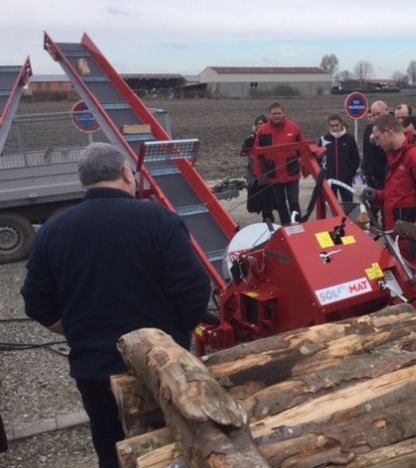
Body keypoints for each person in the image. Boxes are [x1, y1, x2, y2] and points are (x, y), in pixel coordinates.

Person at [21, 143, 212, 468]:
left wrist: (75, 331)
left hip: (94, 370)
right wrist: (177, 336)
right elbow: (194, 289)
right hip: (161, 367)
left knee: (112, 451)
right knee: (171, 447)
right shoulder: (160, 220)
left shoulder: (54, 232)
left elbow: (37, 303)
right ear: (126, 174)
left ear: (83, 182)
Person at [363, 114, 416, 332]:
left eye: (377, 138)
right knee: (413, 281)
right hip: (399, 235)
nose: (376, 144)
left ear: (389, 132)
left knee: (414, 282)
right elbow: (398, 194)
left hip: (411, 235)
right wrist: (377, 196)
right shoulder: (397, 158)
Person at [254, 102, 305, 225]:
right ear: (269, 115)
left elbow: (303, 150)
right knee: (280, 202)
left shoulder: (294, 128)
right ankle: (286, 225)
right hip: (274, 174)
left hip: (291, 172)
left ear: (283, 113)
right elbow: (257, 155)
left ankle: (297, 224)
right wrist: (259, 173)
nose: (276, 116)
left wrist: (305, 169)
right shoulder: (263, 131)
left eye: (278, 113)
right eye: (273, 114)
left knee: (293, 201)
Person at [318, 113, 360, 203]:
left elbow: (355, 159)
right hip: (330, 180)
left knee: (348, 204)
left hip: (345, 180)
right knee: (331, 205)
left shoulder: (349, 139)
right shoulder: (324, 139)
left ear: (341, 124)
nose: (334, 128)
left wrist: (349, 174)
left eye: (336, 125)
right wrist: (324, 175)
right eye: (332, 126)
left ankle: (348, 217)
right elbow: (318, 159)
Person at [242, 114, 274, 222]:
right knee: (260, 196)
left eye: (263, 123)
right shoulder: (250, 139)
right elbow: (244, 150)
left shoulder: (270, 137)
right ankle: (265, 216)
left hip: (268, 171)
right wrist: (252, 137)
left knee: (269, 196)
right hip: (254, 171)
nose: (260, 125)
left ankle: (268, 216)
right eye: (258, 124)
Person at [362, 100, 389, 225]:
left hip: (387, 173)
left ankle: (386, 226)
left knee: (387, 205)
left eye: (378, 114)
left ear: (386, 110)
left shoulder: (392, 129)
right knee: (373, 200)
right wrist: (366, 168)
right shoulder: (369, 130)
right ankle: (375, 223)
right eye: (373, 115)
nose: (375, 117)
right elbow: (366, 152)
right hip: (373, 172)